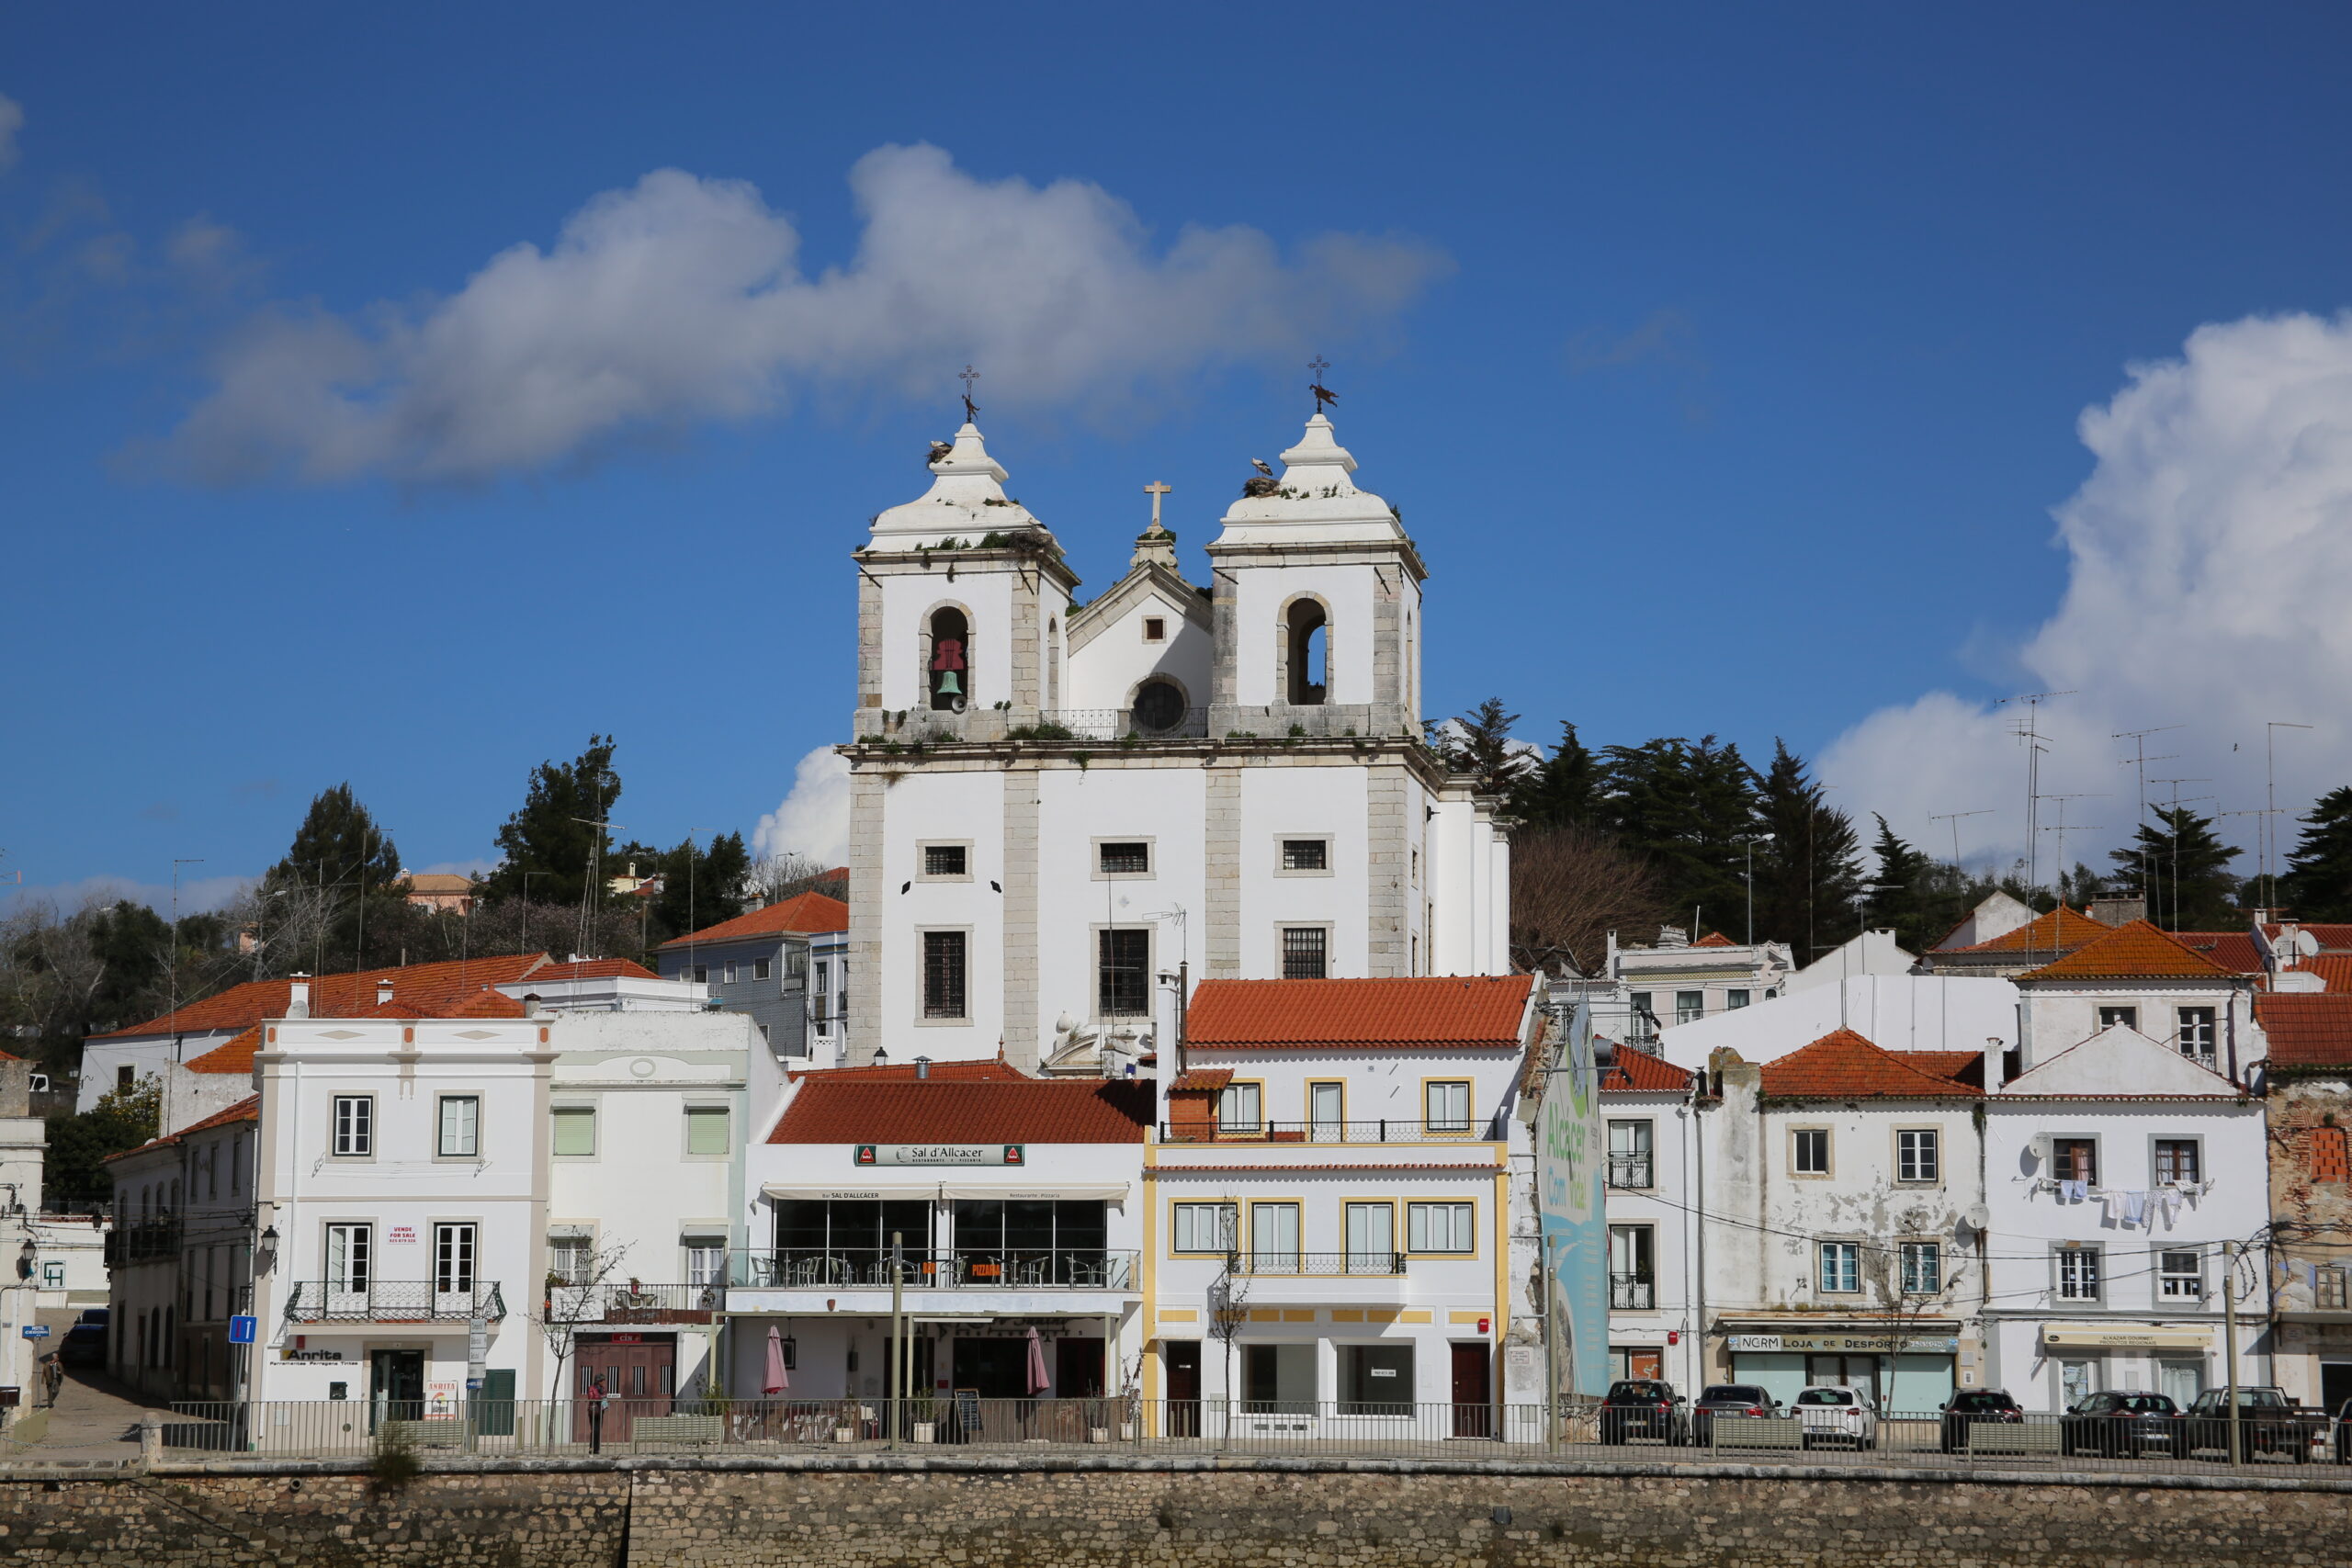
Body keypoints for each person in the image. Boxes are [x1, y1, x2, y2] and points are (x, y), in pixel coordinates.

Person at [586, 1375, 609, 1454]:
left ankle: (597, 1449)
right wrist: (600, 1397)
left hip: (601, 1410)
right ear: (599, 1381)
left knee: (599, 1430)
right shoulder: (591, 1388)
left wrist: (604, 1400)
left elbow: (605, 1396)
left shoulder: (603, 1389)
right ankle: (591, 1448)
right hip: (593, 1410)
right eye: (603, 1381)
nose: (604, 1382)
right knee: (594, 1430)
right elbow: (591, 1397)